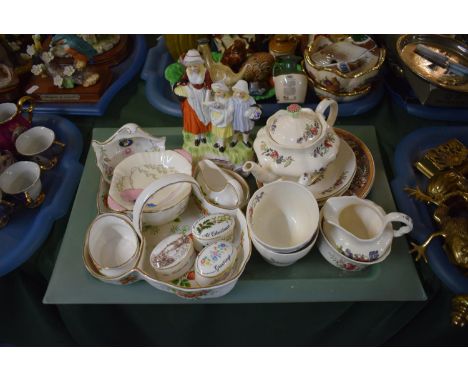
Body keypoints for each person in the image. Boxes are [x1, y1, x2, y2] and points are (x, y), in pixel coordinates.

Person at [173, 49, 211, 146]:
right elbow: (185, 80)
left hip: (202, 94)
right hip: (191, 94)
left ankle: (203, 135)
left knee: (203, 114)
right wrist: (180, 84)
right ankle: (197, 136)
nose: (192, 68)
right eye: (190, 66)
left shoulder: (205, 72)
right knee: (194, 116)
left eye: (195, 65)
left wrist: (207, 99)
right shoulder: (188, 71)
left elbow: (209, 85)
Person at [204, 81, 234, 153]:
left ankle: (222, 144)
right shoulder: (215, 98)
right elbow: (208, 103)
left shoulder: (229, 99)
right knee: (217, 131)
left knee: (222, 132)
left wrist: (223, 111)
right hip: (215, 116)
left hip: (224, 117)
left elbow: (231, 109)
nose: (217, 94)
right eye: (216, 92)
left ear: (224, 91)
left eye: (219, 92)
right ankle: (218, 142)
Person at [230, 80, 261, 148]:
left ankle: (245, 140)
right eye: (237, 92)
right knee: (235, 130)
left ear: (245, 92)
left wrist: (251, 110)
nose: (238, 94)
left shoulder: (250, 99)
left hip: (245, 119)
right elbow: (230, 107)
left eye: (241, 93)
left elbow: (255, 106)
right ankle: (234, 140)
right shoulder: (232, 99)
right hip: (236, 118)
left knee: (246, 130)